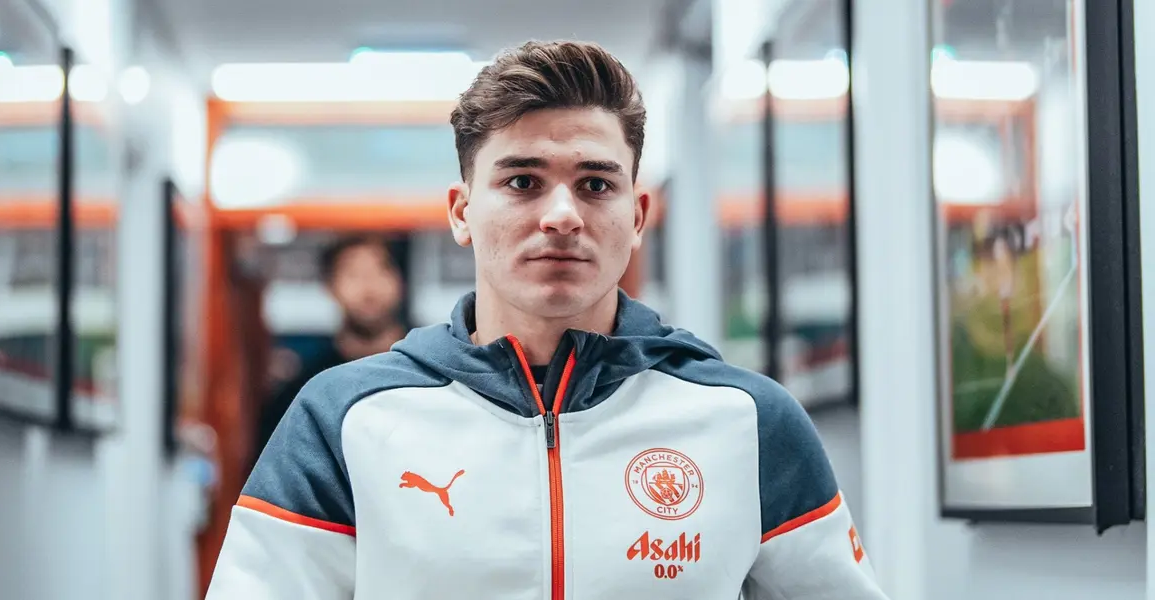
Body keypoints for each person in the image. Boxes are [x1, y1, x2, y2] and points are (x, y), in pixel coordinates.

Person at [207, 40, 888, 599]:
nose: (562, 215)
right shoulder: (343, 418)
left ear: (637, 216)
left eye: (595, 183)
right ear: (461, 211)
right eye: (522, 181)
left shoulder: (749, 420)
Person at [251, 234, 408, 462]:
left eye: (380, 270)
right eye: (353, 274)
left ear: (400, 280)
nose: (369, 287)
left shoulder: (432, 377)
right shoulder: (303, 393)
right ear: (329, 286)